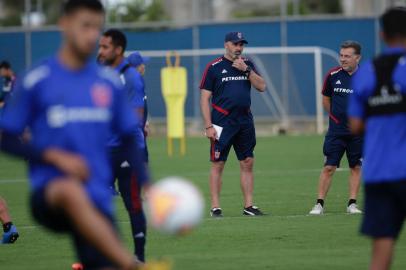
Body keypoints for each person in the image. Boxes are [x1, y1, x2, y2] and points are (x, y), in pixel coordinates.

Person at [0, 1, 146, 269]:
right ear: (64, 24)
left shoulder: (108, 83)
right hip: (51, 193)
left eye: (97, 28)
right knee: (69, 189)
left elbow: (129, 136)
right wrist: (51, 156)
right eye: (85, 26)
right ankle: (132, 264)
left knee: (99, 261)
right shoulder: (38, 79)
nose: (91, 35)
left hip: (96, 198)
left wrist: (147, 181)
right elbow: (5, 136)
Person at [348, 7, 406, 270]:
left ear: (382, 34)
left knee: (381, 251)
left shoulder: (367, 72)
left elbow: (356, 124)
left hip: (379, 172)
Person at [200, 31, 266, 217]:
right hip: (221, 122)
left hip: (245, 121)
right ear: (226, 45)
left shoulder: (248, 65)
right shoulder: (213, 67)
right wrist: (208, 125)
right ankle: (215, 207)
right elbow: (204, 99)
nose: (239, 48)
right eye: (235, 44)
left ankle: (249, 206)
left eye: (241, 44)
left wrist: (246, 70)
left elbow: (262, 87)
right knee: (218, 163)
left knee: (247, 161)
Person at [98, 29, 148, 262]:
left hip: (128, 149)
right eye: (100, 46)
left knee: (133, 203)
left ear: (118, 50)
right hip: (102, 150)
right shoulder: (98, 74)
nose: (100, 51)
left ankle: (139, 256)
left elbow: (136, 118)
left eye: (105, 47)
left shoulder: (131, 77)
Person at [309, 40, 363, 215]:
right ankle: (319, 204)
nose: (343, 59)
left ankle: (352, 204)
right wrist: (334, 116)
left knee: (356, 167)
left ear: (358, 58)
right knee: (329, 167)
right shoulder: (333, 75)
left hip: (359, 133)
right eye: (341, 55)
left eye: (347, 56)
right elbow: (326, 98)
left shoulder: (367, 76)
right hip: (336, 132)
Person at [128, 51, 150, 154]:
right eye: (142, 64)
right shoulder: (132, 84)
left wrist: (144, 122)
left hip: (140, 130)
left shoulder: (139, 81)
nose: (144, 66)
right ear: (137, 67)